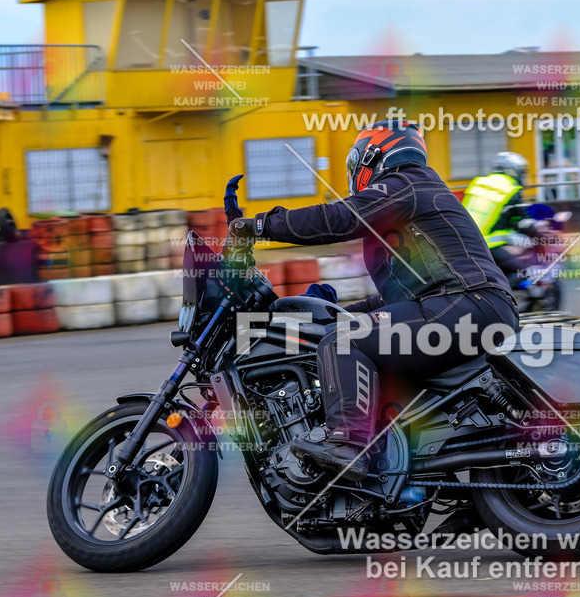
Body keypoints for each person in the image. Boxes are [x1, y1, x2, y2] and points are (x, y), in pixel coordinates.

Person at [228, 120, 519, 480]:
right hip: (461, 308)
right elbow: (393, 300)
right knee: (347, 335)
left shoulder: (407, 183)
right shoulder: (414, 199)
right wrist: (328, 315)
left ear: (374, 156)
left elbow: (338, 218)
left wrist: (260, 226)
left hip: (463, 306)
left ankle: (348, 445)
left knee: (345, 342)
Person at [461, 152, 534, 287]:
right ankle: (504, 300)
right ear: (514, 170)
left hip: (463, 244)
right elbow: (524, 222)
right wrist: (538, 232)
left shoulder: (478, 184)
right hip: (487, 246)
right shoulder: (511, 189)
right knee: (521, 271)